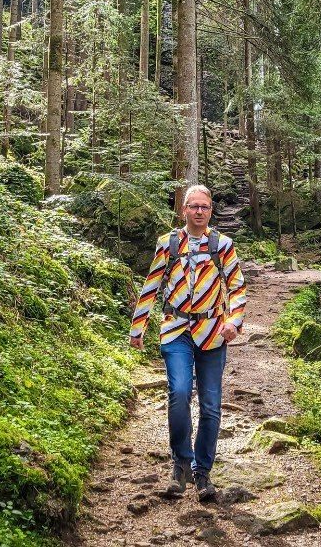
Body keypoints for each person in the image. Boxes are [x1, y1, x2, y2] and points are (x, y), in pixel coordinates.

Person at [129, 184, 247, 501]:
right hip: (175, 327)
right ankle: (181, 464)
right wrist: (138, 326)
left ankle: (203, 472)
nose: (198, 211)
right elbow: (152, 284)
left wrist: (233, 321)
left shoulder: (223, 245)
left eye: (204, 207)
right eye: (193, 206)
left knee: (210, 406)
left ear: (210, 211)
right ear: (184, 210)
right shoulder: (167, 243)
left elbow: (236, 287)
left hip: (212, 330)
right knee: (179, 392)